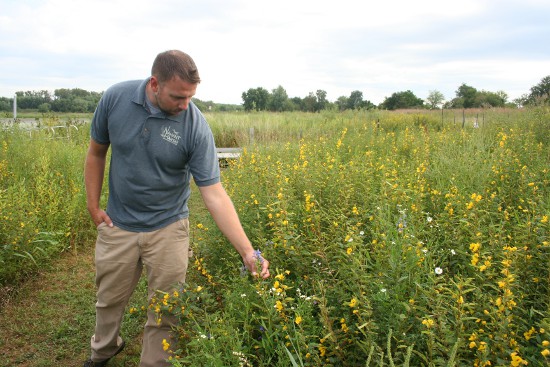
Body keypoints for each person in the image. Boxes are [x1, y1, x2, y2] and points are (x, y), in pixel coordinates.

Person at [83, 50, 270, 367]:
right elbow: (96, 152)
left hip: (169, 227)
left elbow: (214, 195)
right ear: (154, 83)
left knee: (167, 307)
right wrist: (93, 206)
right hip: (119, 223)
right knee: (109, 300)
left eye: (190, 97)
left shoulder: (195, 127)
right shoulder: (115, 98)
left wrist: (247, 251)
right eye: (178, 97)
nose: (185, 105)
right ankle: (103, 349)